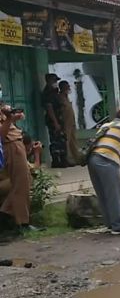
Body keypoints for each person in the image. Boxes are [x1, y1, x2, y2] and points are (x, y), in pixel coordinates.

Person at [1, 105, 43, 233]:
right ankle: (21, 222)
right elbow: (1, 136)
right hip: (11, 146)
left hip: (16, 144)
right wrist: (9, 118)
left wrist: (13, 118)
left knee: (23, 183)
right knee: (21, 184)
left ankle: (8, 214)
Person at [41, 73, 68, 168]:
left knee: (62, 140)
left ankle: (63, 160)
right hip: (53, 121)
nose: (56, 82)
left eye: (56, 81)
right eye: (54, 80)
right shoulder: (47, 93)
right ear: (48, 81)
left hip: (59, 119)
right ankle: (56, 161)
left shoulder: (55, 92)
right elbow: (49, 109)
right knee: (55, 141)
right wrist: (56, 123)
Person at [57, 81, 82, 165]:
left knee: (73, 140)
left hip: (71, 122)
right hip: (65, 122)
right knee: (66, 141)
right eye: (67, 87)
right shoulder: (59, 97)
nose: (69, 88)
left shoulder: (66, 97)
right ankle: (67, 159)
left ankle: (77, 158)